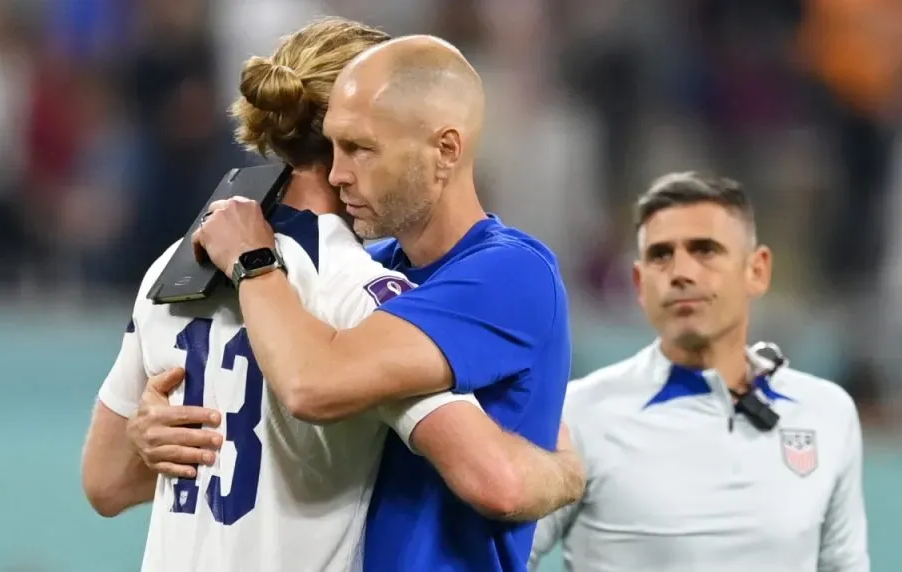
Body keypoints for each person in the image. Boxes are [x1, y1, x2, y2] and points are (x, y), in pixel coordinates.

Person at [81, 18, 582, 572]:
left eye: (361, 147)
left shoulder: (179, 262)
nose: (345, 170)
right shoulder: (361, 287)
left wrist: (143, 438)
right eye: (342, 146)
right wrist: (567, 468)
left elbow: (104, 482)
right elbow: (498, 481)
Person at [529, 172, 870, 572]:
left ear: (756, 270)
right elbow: (502, 559)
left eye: (705, 250)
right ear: (639, 284)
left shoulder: (827, 413)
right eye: (660, 255)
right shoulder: (580, 414)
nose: (681, 273)